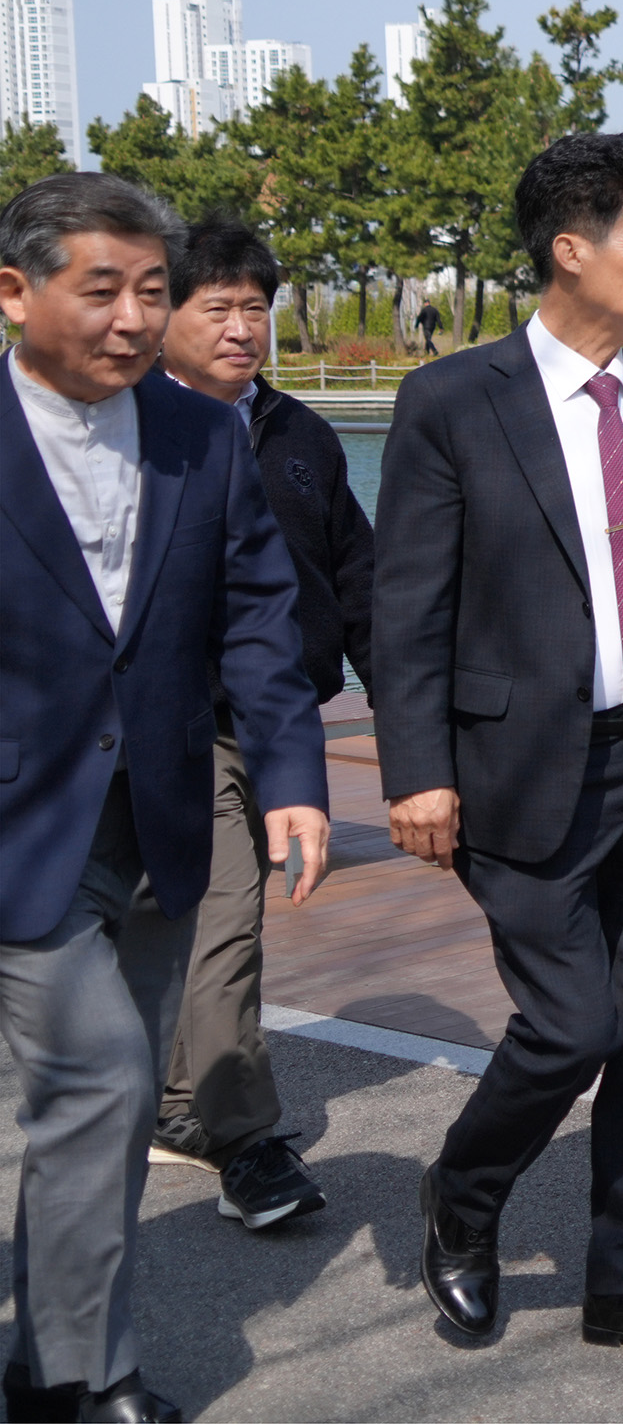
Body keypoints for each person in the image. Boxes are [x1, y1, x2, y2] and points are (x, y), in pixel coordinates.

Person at [371, 134, 623, 1361]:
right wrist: (416, 771)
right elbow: (408, 608)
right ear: (571, 250)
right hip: (522, 768)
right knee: (570, 1026)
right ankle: (465, 1196)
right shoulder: (453, 401)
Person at [0, 174, 330, 1424]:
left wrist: (293, 779)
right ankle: (87, 1383)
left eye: (153, 291)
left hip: (162, 816)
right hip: (18, 828)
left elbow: (256, 616)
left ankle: (44, 1359)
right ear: (15, 292)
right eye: (104, 291)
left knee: (109, 1088)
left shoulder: (200, 434)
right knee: (102, 1085)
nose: (135, 320)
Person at [149, 214, 375, 1233]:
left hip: (282, 716)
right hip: (174, 721)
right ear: (164, 315)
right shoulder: (134, 431)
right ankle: (245, 1138)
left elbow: (362, 583)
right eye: (218, 307)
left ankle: (178, 1100)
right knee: (226, 916)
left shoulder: (300, 435)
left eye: (256, 307)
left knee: (189, 925)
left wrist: (409, 728)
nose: (243, 327)